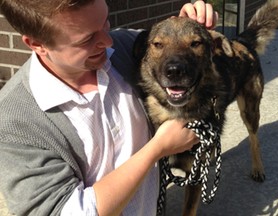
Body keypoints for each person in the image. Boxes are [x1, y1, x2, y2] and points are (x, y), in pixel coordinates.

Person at [0, 0, 217, 215]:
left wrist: (184, 22)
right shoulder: (15, 120)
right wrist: (157, 149)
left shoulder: (122, 47)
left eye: (105, 22)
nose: (106, 40)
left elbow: (165, 41)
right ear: (37, 44)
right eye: (87, 39)